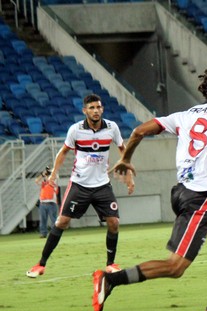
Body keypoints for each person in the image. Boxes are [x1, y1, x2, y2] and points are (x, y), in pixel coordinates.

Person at [93, 60, 207, 311]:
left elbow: (138, 131)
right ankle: (111, 279)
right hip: (198, 199)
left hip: (182, 192)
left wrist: (126, 158)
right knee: (175, 267)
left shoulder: (186, 114)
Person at [26, 94, 133, 278]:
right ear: (84, 111)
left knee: (114, 222)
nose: (96, 111)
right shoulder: (75, 130)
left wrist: (129, 174)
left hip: (102, 186)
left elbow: (124, 149)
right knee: (62, 222)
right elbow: (63, 152)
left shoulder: (111, 127)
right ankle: (40, 264)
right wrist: (53, 174)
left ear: (102, 109)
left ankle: (111, 264)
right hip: (79, 185)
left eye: (98, 107)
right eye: (91, 108)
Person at [35, 166, 59, 238]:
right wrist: (43, 175)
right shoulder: (44, 183)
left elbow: (54, 177)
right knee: (43, 220)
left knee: (53, 220)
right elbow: (36, 181)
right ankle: (43, 233)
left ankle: (54, 234)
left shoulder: (53, 182)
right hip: (43, 203)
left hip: (52, 203)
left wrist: (50, 173)